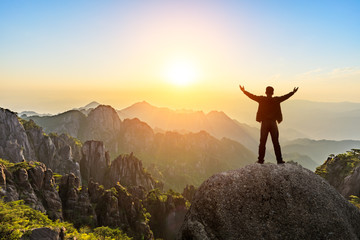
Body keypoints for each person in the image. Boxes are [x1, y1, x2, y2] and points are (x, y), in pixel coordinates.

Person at [239, 85, 298, 164]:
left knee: (262, 142)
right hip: (273, 123)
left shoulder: (261, 99)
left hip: (264, 124)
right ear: (273, 93)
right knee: (276, 143)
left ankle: (260, 160)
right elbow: (285, 97)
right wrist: (293, 92)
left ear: (266, 92)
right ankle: (279, 160)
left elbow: (252, 96)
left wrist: (244, 91)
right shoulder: (276, 100)